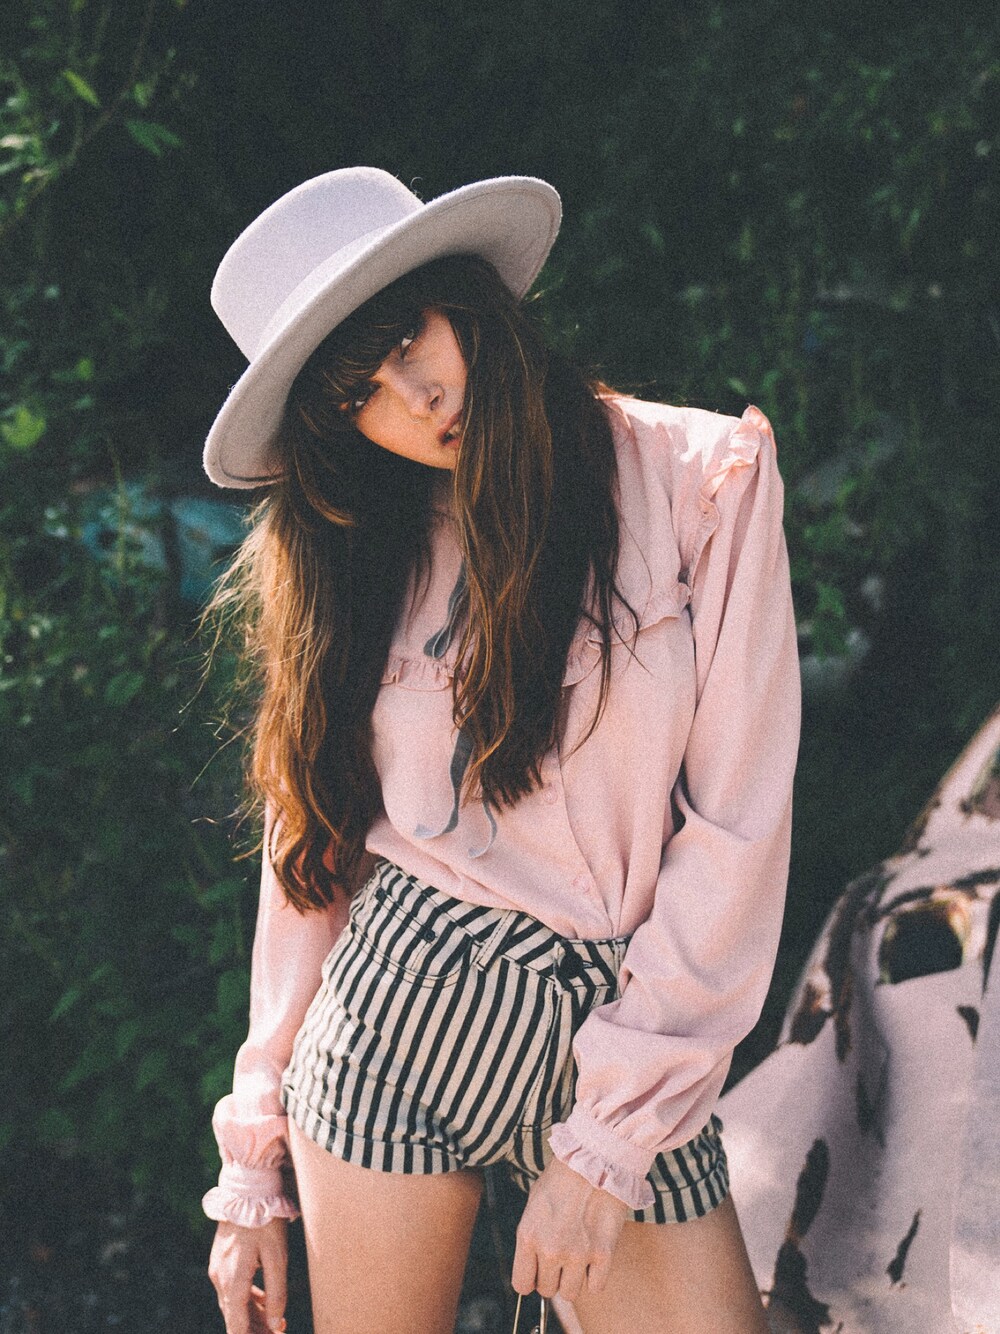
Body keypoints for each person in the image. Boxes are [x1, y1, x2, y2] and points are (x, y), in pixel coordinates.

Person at [199, 167, 801, 1334]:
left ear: (462, 298)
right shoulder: (359, 546)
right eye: (361, 393)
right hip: (395, 1012)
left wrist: (606, 1143)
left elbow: (739, 822)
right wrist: (251, 1157)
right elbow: (309, 845)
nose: (416, 396)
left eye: (407, 339)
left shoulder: (698, 480)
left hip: (622, 1030)